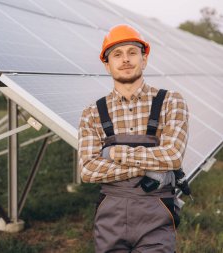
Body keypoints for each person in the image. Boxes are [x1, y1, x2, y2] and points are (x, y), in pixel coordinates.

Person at [78, 24, 189, 252]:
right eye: (117, 54)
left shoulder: (171, 102)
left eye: (132, 52)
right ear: (107, 65)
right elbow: (88, 170)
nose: (125, 59)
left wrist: (115, 154)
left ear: (144, 59)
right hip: (111, 212)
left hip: (156, 207)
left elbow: (173, 156)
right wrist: (147, 167)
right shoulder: (92, 112)